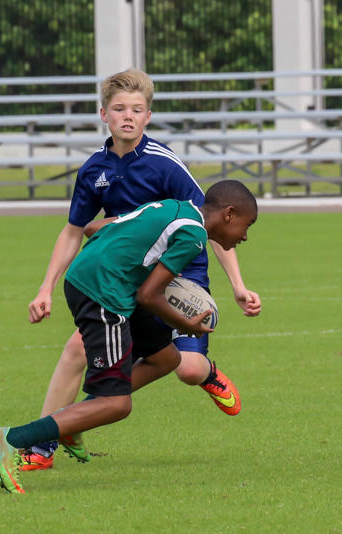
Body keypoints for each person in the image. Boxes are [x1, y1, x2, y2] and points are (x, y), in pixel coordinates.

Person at [22, 69, 261, 469]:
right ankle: (44, 444)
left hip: (176, 273)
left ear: (148, 116)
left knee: (187, 369)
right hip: (125, 277)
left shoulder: (165, 165)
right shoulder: (94, 170)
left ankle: (207, 374)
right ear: (104, 114)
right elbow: (74, 231)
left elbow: (215, 222)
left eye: (136, 109)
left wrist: (238, 285)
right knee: (76, 348)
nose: (128, 116)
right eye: (119, 109)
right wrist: (46, 288)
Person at [0, 180, 259, 494]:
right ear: (229, 214)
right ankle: (10, 439)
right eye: (247, 225)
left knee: (166, 358)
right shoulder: (194, 236)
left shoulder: (174, 207)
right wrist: (188, 325)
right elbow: (148, 296)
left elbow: (94, 228)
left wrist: (125, 255)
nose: (245, 236)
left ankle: (73, 422)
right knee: (116, 405)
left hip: (101, 281)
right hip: (104, 293)